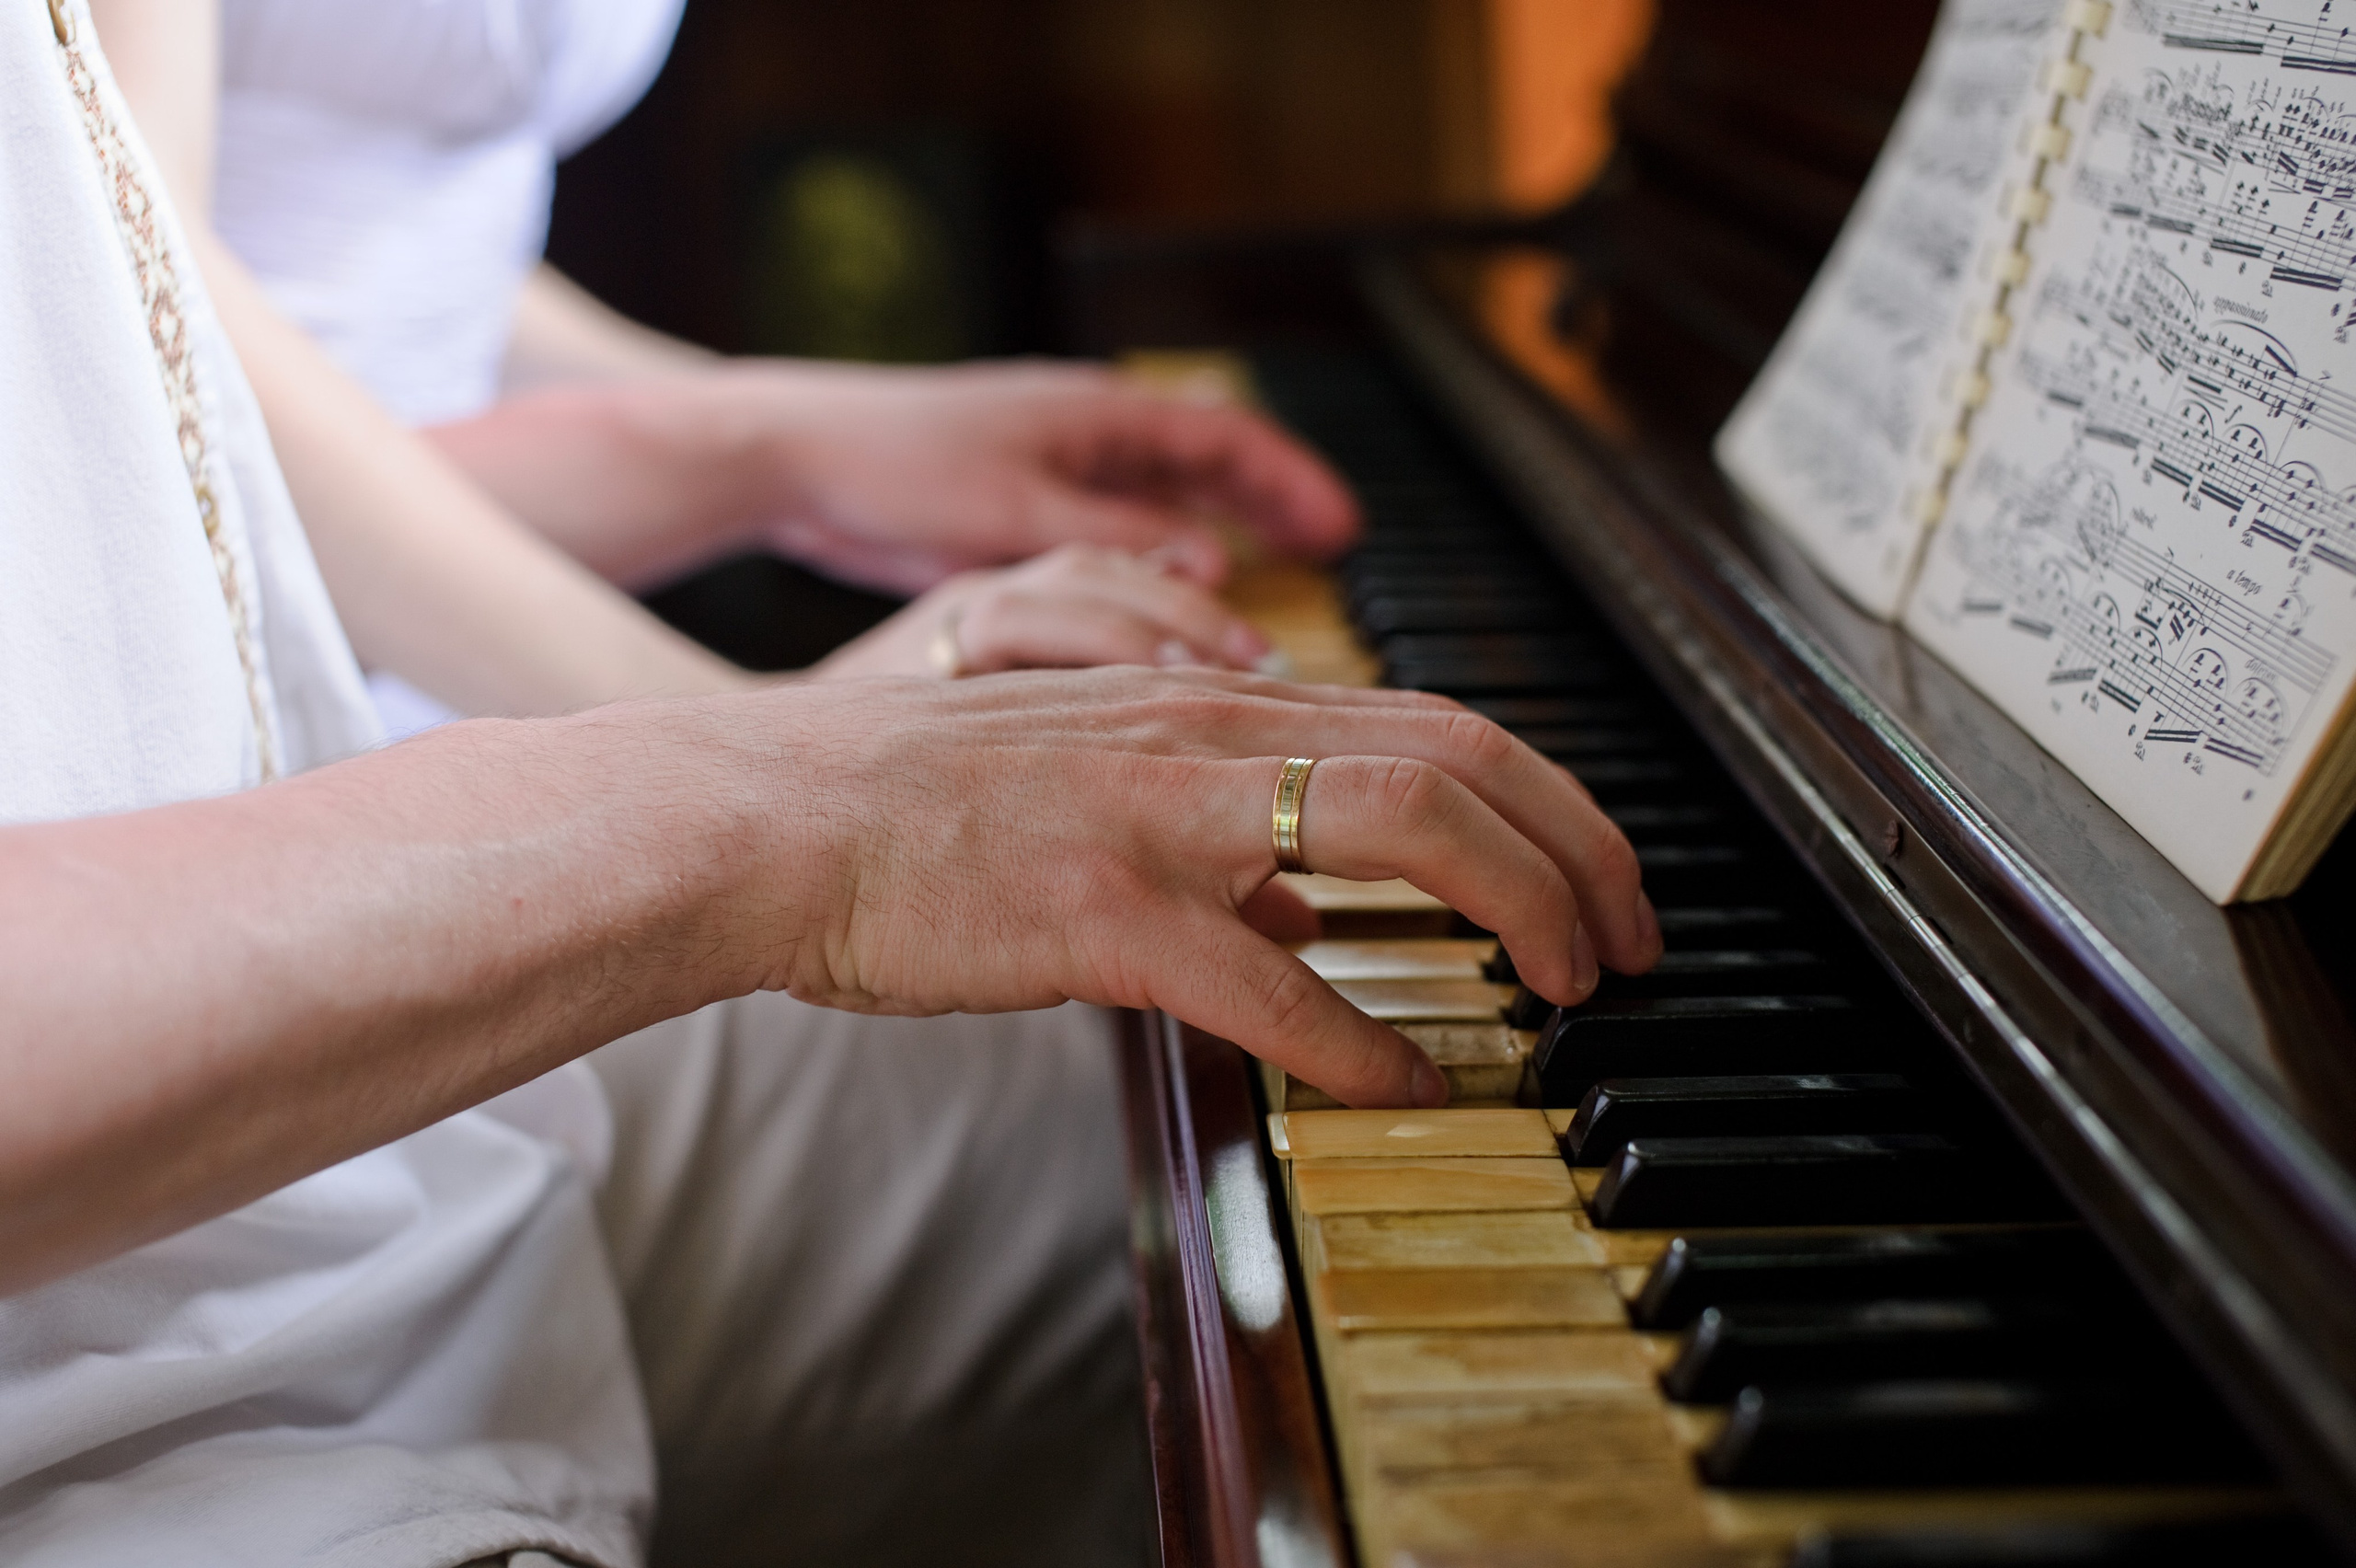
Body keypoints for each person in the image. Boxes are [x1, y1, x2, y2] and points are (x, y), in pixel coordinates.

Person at [0, 6, 1658, 1568]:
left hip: (322, 1126)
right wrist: (777, 779)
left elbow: (170, 333)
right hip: (148, 1358)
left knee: (1246, 1137)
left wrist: (761, 454)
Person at [192, 0, 1362, 730]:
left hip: (450, 655)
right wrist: (747, 738)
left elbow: (403, 257)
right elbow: (167, 390)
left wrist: (802, 433)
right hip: (253, 736)